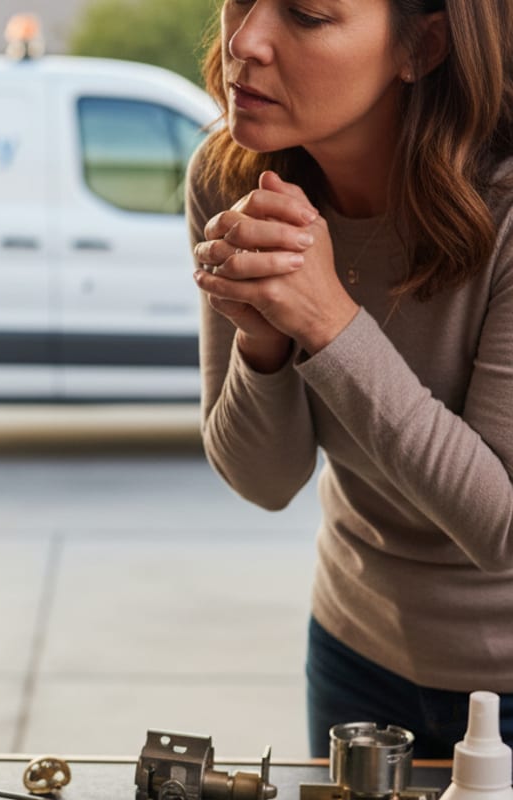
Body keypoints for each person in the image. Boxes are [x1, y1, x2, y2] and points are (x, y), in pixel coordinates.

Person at [187, 0, 513, 758]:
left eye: (305, 15)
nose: (244, 40)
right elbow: (264, 482)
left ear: (422, 45)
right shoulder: (233, 176)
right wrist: (264, 344)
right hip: (354, 649)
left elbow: (501, 530)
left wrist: (330, 324)